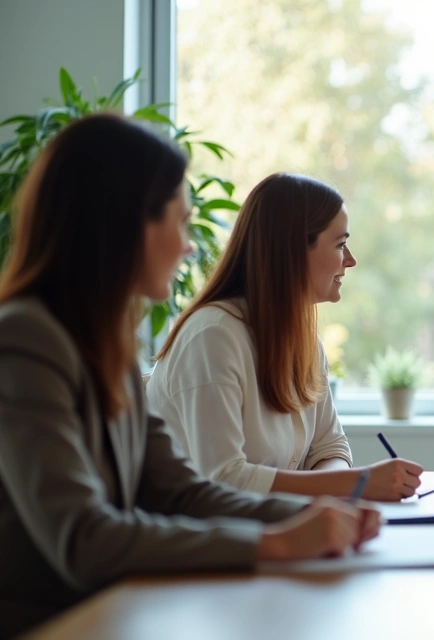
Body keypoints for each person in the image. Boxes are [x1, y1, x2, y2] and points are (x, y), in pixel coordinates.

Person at [0, 114, 380, 636]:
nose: (188, 246)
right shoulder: (24, 339)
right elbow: (83, 538)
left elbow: (183, 493)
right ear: (122, 224)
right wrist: (275, 541)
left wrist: (313, 520)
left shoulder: (107, 344)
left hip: (116, 611)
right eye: (178, 222)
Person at [148, 173, 423, 501]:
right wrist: (354, 485)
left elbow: (329, 447)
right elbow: (222, 478)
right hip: (204, 540)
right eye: (340, 245)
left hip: (271, 530)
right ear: (293, 251)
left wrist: (330, 500)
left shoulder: (304, 341)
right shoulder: (213, 337)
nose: (350, 260)